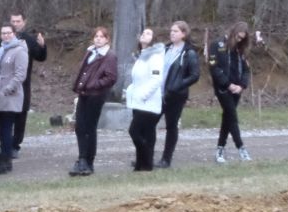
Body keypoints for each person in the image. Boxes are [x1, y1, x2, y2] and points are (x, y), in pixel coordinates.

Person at [69, 26, 118, 176]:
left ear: (107, 39)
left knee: (89, 128)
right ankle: (82, 159)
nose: (98, 39)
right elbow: (84, 72)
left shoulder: (109, 56)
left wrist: (94, 85)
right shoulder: (90, 52)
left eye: (101, 37)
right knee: (80, 127)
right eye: (96, 36)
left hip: (96, 96)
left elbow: (111, 77)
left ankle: (87, 161)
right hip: (84, 93)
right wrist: (80, 85)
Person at [0, 24, 28, 175]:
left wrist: (7, 90)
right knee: (2, 129)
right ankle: (6, 160)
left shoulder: (20, 51)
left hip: (10, 96)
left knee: (6, 129)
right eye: (3, 33)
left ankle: (3, 162)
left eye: (9, 33)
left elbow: (20, 75)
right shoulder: (2, 49)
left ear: (14, 34)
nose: (6, 36)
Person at [156, 21, 200, 168]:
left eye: (175, 31)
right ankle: (145, 157)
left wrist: (177, 85)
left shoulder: (189, 53)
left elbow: (194, 75)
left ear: (184, 34)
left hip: (175, 96)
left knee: (171, 126)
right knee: (148, 124)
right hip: (159, 93)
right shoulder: (165, 49)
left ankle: (166, 159)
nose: (172, 33)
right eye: (171, 31)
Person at [209, 21, 252, 163]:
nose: (239, 40)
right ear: (233, 33)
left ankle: (220, 148)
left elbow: (246, 70)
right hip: (223, 88)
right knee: (232, 116)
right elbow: (214, 68)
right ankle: (241, 148)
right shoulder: (217, 45)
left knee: (227, 118)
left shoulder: (242, 49)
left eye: (242, 38)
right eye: (238, 37)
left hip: (237, 89)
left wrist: (242, 85)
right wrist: (228, 85)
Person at [125, 28, 164, 171]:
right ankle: (141, 164)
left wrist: (143, 96)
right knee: (144, 133)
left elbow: (156, 80)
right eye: (143, 33)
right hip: (138, 102)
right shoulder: (141, 56)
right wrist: (131, 92)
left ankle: (147, 159)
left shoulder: (155, 57)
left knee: (134, 131)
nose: (144, 34)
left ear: (154, 39)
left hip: (148, 102)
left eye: (148, 33)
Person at [10, 12, 47, 157]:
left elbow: (41, 57)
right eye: (13, 21)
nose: (15, 24)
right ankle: (5, 144)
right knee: (6, 115)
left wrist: (42, 46)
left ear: (24, 22)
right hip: (6, 82)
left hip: (23, 84)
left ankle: (15, 145)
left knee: (20, 115)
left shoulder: (29, 40)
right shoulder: (5, 38)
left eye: (18, 21)